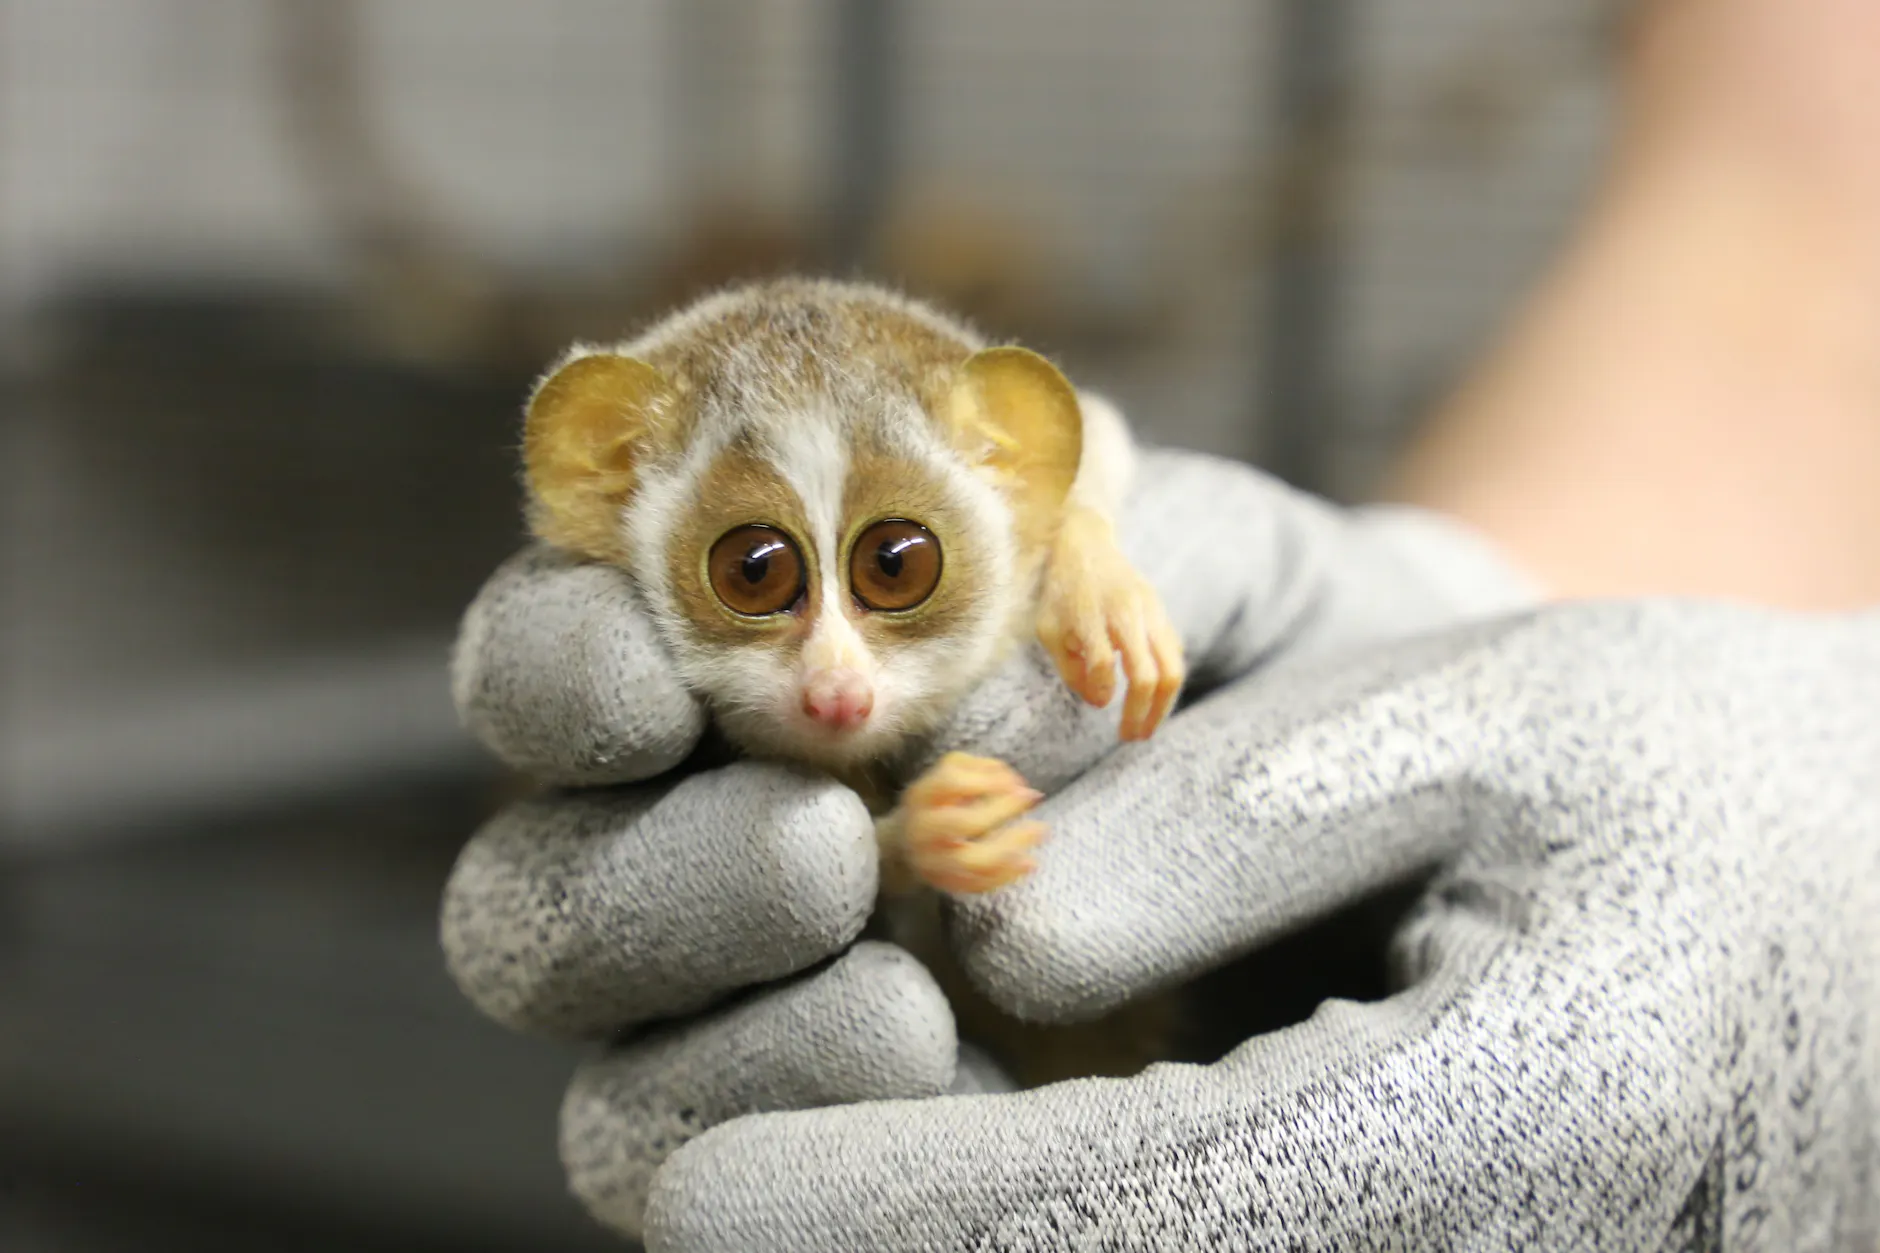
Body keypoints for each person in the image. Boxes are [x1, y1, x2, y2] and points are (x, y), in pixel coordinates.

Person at [440, 1, 1880, 1246]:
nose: (829, 668)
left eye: (892, 568)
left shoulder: (1033, 503)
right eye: (753, 573)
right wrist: (1460, 604)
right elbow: (1798, 180)